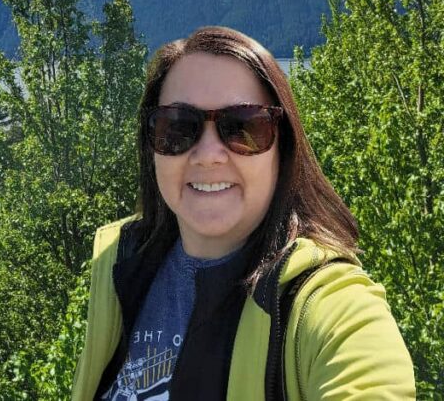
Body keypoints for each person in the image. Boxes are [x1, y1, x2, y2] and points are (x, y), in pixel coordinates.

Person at [71, 26, 415, 400]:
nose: (208, 154)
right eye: (178, 128)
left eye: (243, 127)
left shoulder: (324, 304)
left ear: (282, 149)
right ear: (151, 146)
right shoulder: (121, 266)